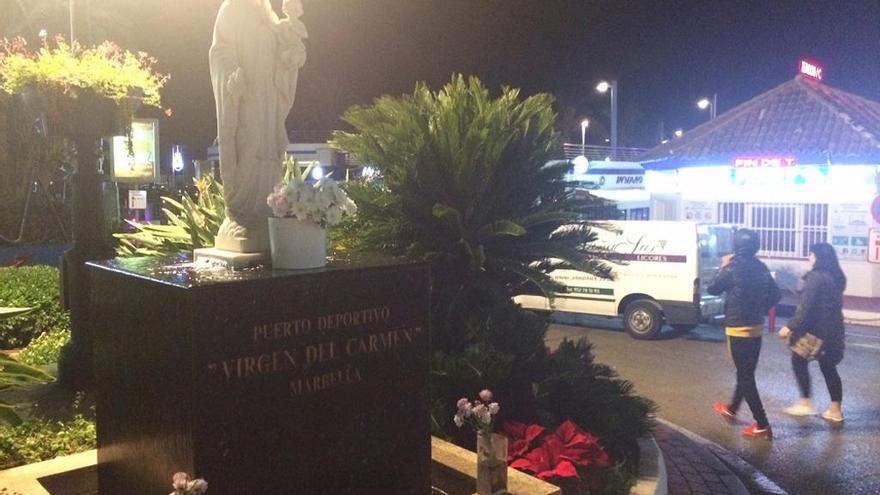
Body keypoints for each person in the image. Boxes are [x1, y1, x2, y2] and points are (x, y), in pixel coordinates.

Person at [209, 0, 308, 252]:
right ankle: (242, 214)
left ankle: (266, 210)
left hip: (269, 99)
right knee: (249, 146)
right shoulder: (230, 10)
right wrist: (231, 75)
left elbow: (282, 53)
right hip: (245, 97)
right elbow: (220, 51)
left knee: (270, 149)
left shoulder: (269, 15)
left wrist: (291, 50)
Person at [708, 228, 781, 439]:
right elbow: (775, 295)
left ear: (736, 245)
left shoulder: (732, 267)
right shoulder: (761, 267)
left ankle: (762, 424)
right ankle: (732, 409)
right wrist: (759, 309)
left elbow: (713, 288)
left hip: (738, 328)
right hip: (756, 328)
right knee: (745, 371)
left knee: (745, 375)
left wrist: (723, 266)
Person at [778, 243, 846, 423]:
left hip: (816, 330)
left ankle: (806, 402)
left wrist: (790, 326)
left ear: (818, 257)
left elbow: (806, 307)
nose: (809, 257)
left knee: (798, 359)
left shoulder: (815, 277)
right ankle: (835, 409)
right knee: (828, 366)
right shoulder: (837, 276)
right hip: (834, 328)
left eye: (811, 254)